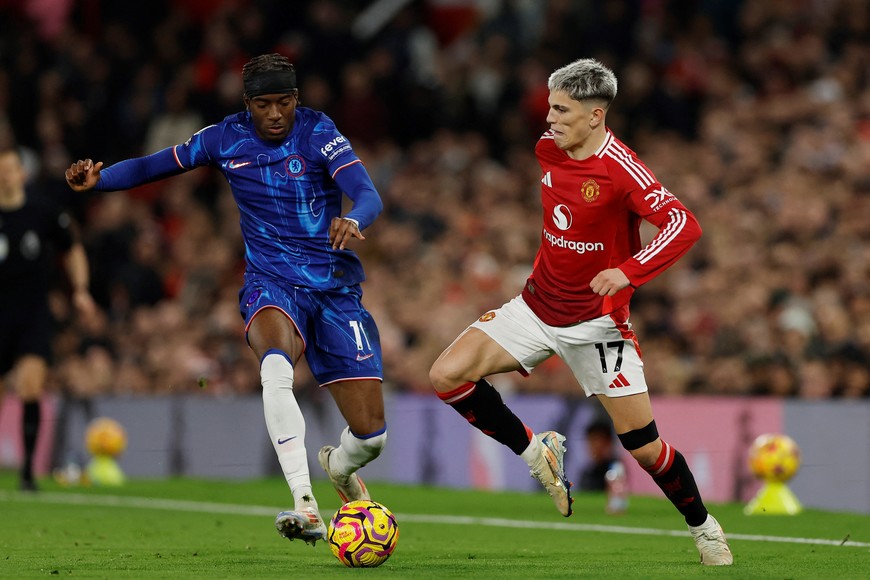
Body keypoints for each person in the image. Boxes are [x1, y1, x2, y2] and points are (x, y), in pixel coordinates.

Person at [65, 54, 387, 546]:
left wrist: (356, 218)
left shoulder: (320, 132)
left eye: (284, 102)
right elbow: (157, 165)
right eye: (264, 104)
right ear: (247, 105)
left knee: (371, 437)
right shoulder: (225, 137)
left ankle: (339, 470)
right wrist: (100, 179)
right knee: (275, 366)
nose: (275, 113)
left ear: (297, 100)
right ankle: (306, 505)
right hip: (272, 283)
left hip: (334, 288)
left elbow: (366, 193)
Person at [429, 58, 733, 566]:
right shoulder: (548, 148)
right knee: (446, 375)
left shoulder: (621, 169)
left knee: (644, 447)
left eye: (560, 109)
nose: (548, 119)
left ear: (596, 116)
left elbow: (684, 224)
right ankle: (535, 452)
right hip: (534, 306)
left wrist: (629, 271)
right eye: (549, 106)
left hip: (597, 325)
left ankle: (705, 529)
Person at [0, 146, 96, 492]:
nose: (6, 175)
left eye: (11, 169)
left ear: (22, 174)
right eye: (2, 170)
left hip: (32, 315)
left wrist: (81, 290)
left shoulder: (42, 211)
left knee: (30, 387)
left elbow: (72, 247)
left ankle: (26, 471)